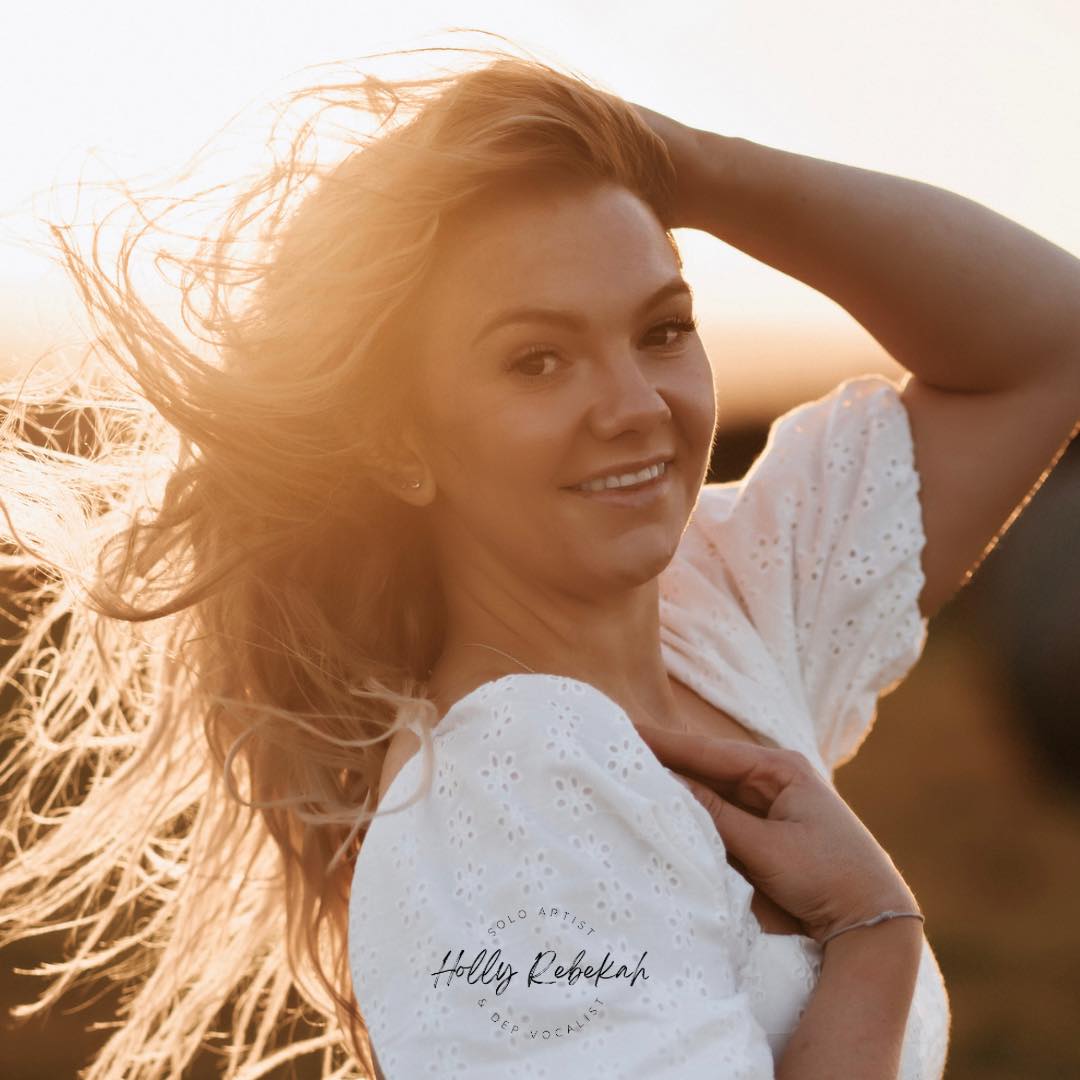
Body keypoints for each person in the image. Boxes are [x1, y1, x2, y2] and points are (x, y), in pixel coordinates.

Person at [0, 35, 1076, 1080]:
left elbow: (1046, 339)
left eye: (661, 329)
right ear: (398, 443)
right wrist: (872, 931)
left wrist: (682, 162)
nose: (636, 407)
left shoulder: (721, 610)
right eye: (539, 360)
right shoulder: (500, 805)